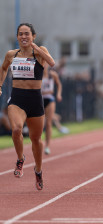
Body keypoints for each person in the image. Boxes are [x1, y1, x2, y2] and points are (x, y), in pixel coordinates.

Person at [0, 23, 55, 190]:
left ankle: (38, 170)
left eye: (27, 34)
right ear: (17, 37)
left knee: (36, 140)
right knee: (16, 129)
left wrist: (37, 49)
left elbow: (51, 63)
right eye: (21, 34)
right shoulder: (11, 54)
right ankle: (20, 158)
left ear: (33, 36)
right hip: (17, 99)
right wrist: (0, 85)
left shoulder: (40, 51)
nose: (24, 37)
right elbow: (3, 69)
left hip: (35, 101)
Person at [42, 63, 62, 155]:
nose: (43, 66)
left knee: (49, 123)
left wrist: (58, 94)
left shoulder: (52, 75)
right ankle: (38, 143)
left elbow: (59, 84)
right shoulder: (37, 75)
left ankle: (47, 146)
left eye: (45, 64)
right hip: (40, 100)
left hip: (49, 99)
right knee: (40, 124)